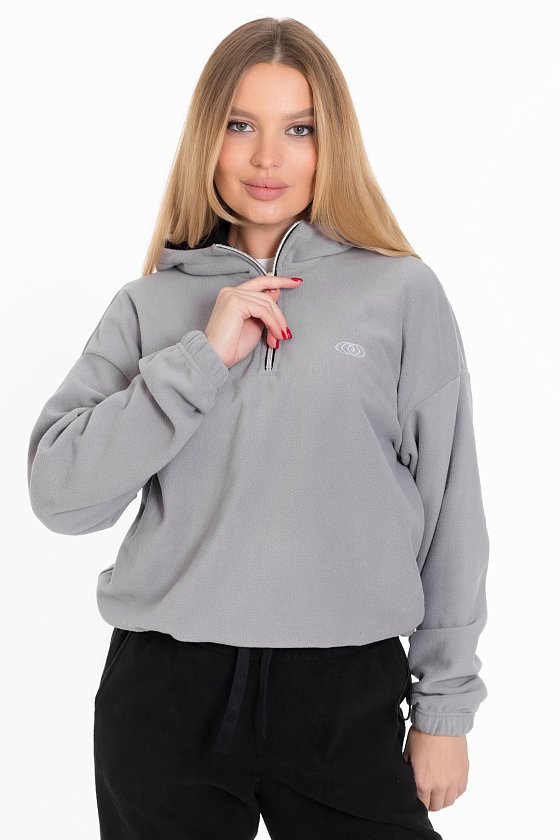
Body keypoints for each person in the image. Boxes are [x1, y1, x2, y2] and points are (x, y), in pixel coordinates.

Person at [26, 16, 489, 840]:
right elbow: (60, 496)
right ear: (207, 138)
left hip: (344, 689)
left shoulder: (401, 294)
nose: (267, 157)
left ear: (331, 143)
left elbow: (451, 508)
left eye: (298, 129)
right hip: (167, 693)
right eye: (241, 125)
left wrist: (444, 708)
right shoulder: (149, 307)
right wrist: (202, 357)